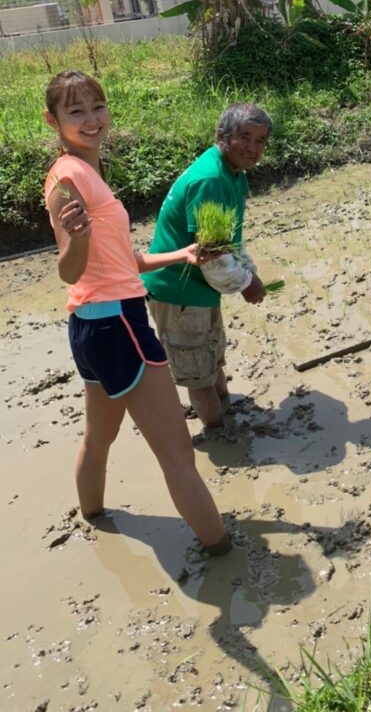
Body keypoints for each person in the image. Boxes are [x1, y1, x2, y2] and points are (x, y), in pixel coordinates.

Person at [43, 70, 230, 554]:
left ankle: (93, 516)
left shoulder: (85, 169)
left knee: (98, 438)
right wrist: (77, 238)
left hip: (91, 325)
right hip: (118, 323)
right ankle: (223, 550)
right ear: (53, 120)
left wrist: (181, 254)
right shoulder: (69, 177)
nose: (91, 119)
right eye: (76, 111)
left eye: (97, 107)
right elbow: (69, 268)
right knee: (178, 454)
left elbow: (123, 262)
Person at [142, 103, 271, 429]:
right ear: (222, 136)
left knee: (210, 356)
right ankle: (220, 433)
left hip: (198, 288)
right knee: (198, 376)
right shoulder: (211, 180)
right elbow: (212, 254)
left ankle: (225, 407)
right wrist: (245, 282)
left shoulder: (231, 172)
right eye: (244, 137)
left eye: (260, 140)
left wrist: (248, 271)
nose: (252, 148)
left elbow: (229, 240)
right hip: (179, 291)